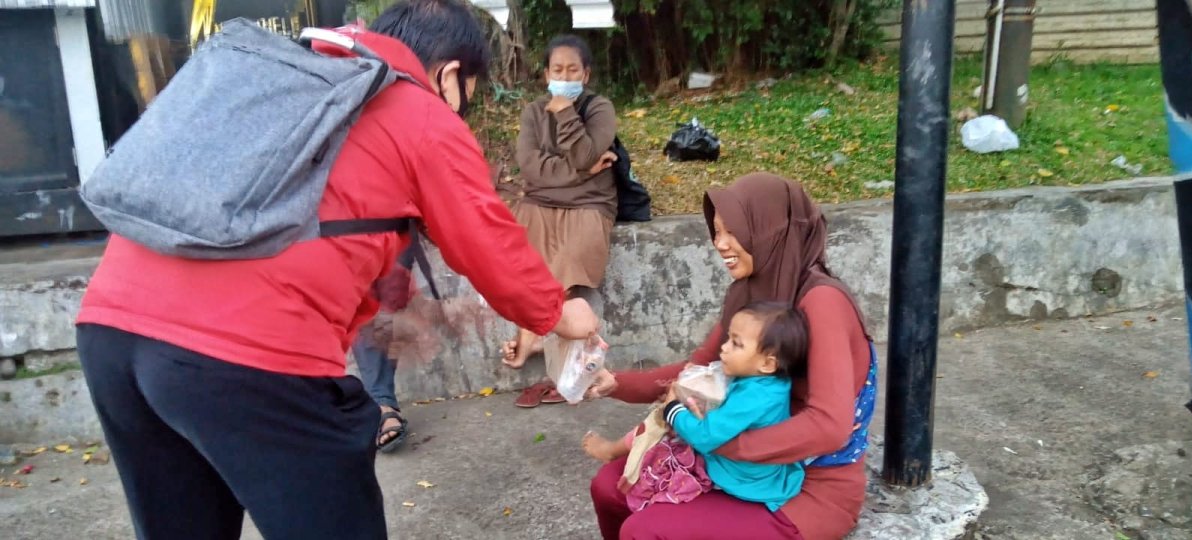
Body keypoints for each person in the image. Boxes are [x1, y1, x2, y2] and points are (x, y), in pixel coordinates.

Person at [74, 2, 598, 539]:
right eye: (469, 91)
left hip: (110, 331)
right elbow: (487, 241)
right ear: (449, 75)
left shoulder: (295, 82)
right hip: (248, 356)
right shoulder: (415, 108)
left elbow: (331, 226)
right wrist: (559, 314)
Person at [586, 173, 877, 540]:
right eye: (717, 231)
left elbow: (829, 426)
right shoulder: (751, 294)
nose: (719, 243)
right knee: (609, 489)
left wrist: (718, 442)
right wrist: (615, 383)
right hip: (731, 467)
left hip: (804, 488)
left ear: (770, 231)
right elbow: (700, 369)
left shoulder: (823, 302)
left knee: (645, 531)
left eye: (733, 231)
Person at [584, 301, 813, 516]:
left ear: (768, 363)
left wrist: (673, 409)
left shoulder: (756, 397)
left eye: (736, 344)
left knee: (661, 425)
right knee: (665, 421)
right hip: (753, 468)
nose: (724, 348)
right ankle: (615, 450)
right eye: (728, 338)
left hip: (741, 478)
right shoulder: (766, 382)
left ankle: (617, 455)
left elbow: (705, 436)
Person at [501, 35, 619, 407]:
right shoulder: (533, 112)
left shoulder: (599, 109)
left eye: (572, 70)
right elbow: (531, 169)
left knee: (569, 261)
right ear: (546, 74)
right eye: (557, 70)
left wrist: (566, 112)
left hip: (590, 205)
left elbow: (584, 153)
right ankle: (536, 337)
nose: (564, 76)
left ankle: (535, 339)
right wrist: (583, 172)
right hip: (539, 202)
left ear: (586, 75)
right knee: (524, 261)